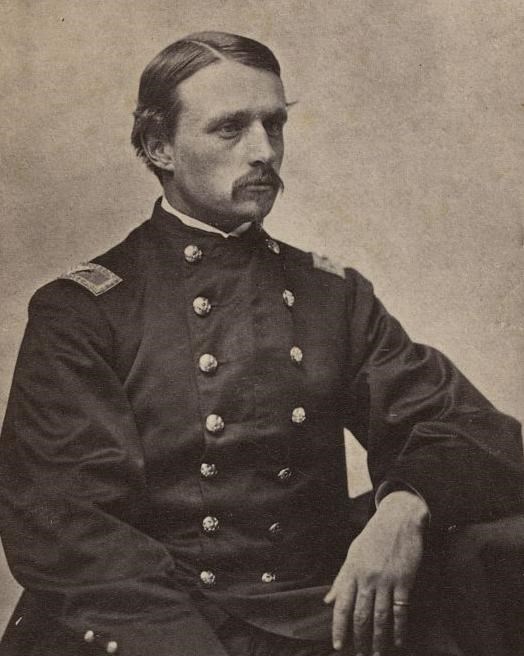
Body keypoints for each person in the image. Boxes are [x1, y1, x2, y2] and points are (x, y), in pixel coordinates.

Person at [0, 31, 522, 656]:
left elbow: (468, 428)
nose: (263, 151)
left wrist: (405, 505)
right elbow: (69, 527)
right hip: (160, 620)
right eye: (230, 129)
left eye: (273, 125)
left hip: (316, 607)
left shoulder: (333, 295)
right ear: (158, 146)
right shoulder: (85, 310)